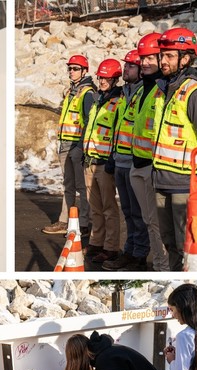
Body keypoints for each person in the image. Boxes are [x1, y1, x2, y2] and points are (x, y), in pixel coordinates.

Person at [153, 28, 197, 271]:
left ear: (185, 58)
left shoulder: (195, 93)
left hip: (186, 185)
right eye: (162, 55)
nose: (162, 60)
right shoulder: (164, 89)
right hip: (162, 181)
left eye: (169, 56)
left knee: (188, 245)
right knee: (169, 243)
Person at [102, 50, 150, 272]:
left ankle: (138, 255)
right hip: (120, 160)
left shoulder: (143, 93)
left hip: (134, 162)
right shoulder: (125, 94)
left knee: (139, 214)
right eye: (126, 66)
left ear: (140, 71)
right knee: (129, 213)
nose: (125, 70)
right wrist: (112, 155)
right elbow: (117, 127)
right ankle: (130, 251)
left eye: (131, 66)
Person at [42, 55, 95, 237]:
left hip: (76, 146)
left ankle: (85, 223)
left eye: (75, 68)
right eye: (70, 68)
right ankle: (65, 221)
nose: (71, 72)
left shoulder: (87, 93)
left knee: (81, 186)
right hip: (65, 144)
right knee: (68, 185)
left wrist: (80, 147)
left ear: (84, 71)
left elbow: (89, 121)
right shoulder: (71, 91)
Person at [129, 32, 169, 272]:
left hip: (154, 168)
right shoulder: (143, 88)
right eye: (142, 58)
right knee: (148, 221)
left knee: (156, 223)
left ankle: (163, 267)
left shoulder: (163, 89)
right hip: (138, 163)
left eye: (150, 58)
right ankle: (159, 263)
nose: (144, 63)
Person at [82, 59, 123, 265]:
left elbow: (117, 134)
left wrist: (111, 159)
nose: (102, 81)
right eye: (100, 77)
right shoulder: (98, 100)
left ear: (115, 79)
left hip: (105, 163)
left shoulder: (118, 102)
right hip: (90, 161)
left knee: (108, 208)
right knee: (94, 208)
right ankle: (96, 242)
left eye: (106, 78)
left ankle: (111, 247)